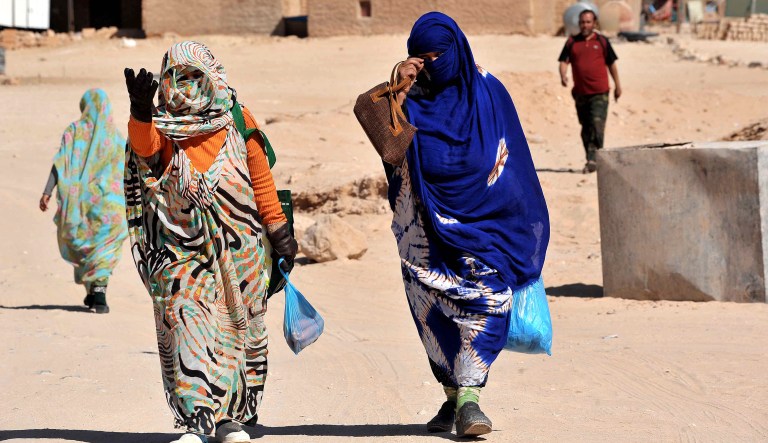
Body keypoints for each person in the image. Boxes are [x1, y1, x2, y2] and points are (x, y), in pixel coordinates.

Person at [123, 41, 297, 443]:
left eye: (193, 77)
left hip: (243, 249)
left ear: (211, 77)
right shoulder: (160, 120)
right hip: (181, 246)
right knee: (185, 321)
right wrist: (140, 113)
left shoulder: (237, 117)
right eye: (175, 78)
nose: (183, 88)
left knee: (240, 329)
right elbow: (146, 153)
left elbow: (260, 178)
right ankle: (197, 419)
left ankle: (230, 419)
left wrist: (279, 229)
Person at [388, 12, 550, 438]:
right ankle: (452, 398)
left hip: (486, 227)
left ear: (456, 51)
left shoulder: (489, 91)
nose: (430, 64)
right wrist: (398, 84)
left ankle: (470, 400)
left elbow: (511, 157)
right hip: (423, 229)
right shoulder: (409, 96)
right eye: (420, 57)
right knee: (432, 313)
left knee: (486, 302)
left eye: (437, 56)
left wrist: (516, 217)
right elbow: (381, 136)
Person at [39, 88, 127, 314]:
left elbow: (61, 164)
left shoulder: (74, 132)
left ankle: (97, 292)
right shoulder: (116, 138)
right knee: (104, 249)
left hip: (80, 203)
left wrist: (47, 191)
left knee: (87, 247)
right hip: (111, 206)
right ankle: (96, 291)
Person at [558, 9, 622, 173]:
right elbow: (564, 61)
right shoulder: (572, 42)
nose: (585, 25)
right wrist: (563, 75)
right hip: (580, 93)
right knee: (586, 127)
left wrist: (618, 85)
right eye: (582, 22)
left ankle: (596, 158)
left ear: (594, 23)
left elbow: (612, 64)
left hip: (600, 92)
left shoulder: (602, 41)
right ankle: (591, 158)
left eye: (588, 22)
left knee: (597, 125)